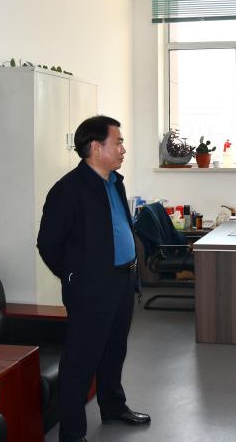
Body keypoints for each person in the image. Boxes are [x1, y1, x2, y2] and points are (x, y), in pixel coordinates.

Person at [37, 115, 150, 442]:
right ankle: (72, 434)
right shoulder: (68, 190)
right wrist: (76, 276)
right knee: (80, 362)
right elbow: (48, 244)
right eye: (118, 142)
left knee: (114, 351)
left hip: (123, 280)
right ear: (96, 147)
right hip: (91, 288)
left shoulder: (115, 181)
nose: (123, 149)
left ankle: (113, 406)